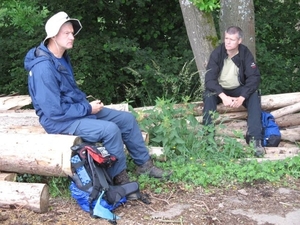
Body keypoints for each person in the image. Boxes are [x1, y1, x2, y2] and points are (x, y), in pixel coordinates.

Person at [24, 11, 171, 186]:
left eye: (72, 33)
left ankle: (144, 165)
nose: (72, 37)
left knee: (126, 119)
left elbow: (68, 93)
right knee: (110, 130)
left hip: (75, 111)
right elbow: (53, 111)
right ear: (53, 36)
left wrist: (87, 106)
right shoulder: (43, 69)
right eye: (67, 33)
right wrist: (87, 109)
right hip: (59, 122)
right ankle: (119, 179)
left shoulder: (61, 56)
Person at [202, 26, 264, 156]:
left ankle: (255, 140)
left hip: (238, 89)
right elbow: (209, 79)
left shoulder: (245, 53)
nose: (228, 42)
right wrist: (223, 96)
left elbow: (254, 77)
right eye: (226, 38)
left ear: (239, 41)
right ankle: (208, 139)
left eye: (232, 39)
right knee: (208, 94)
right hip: (220, 89)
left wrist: (242, 97)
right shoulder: (218, 53)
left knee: (253, 95)